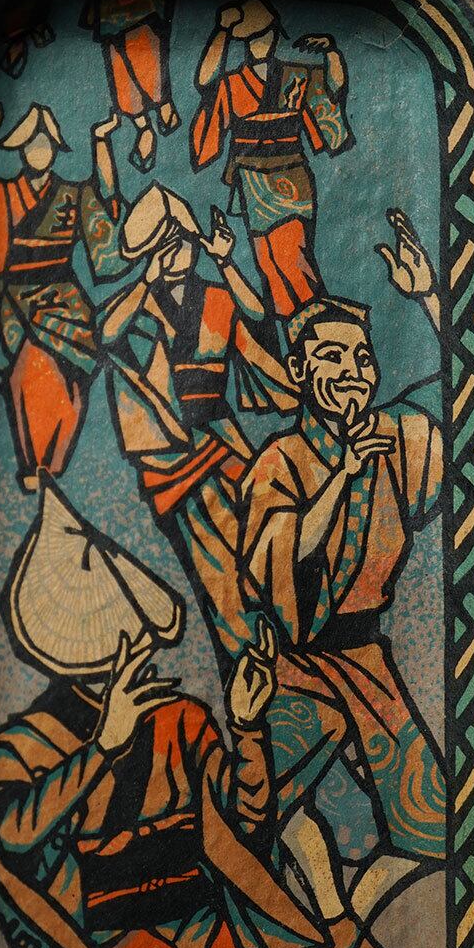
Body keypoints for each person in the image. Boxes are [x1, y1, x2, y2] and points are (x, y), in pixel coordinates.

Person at [0, 477, 378, 948]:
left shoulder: (180, 719)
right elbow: (10, 837)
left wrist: (248, 725)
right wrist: (103, 746)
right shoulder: (22, 748)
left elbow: (247, 825)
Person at [239, 210, 447, 948]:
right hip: (297, 659)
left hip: (367, 660)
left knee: (435, 825)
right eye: (331, 357)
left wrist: (430, 300)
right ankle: (334, 925)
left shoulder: (397, 438)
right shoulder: (282, 459)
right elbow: (276, 560)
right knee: (269, 806)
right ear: (299, 372)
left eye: (361, 357)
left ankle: (344, 929)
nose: (353, 372)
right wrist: (341, 479)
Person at [101, 183, 298, 678]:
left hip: (225, 442)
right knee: (218, 575)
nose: (179, 254)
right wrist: (144, 284)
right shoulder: (140, 308)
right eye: (167, 246)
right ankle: (250, 667)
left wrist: (227, 262)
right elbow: (104, 334)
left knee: (264, 546)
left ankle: (282, 655)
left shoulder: (216, 298)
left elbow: (257, 326)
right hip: (172, 460)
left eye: (185, 241)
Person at [0, 97, 128, 490]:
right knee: (27, 379)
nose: (39, 151)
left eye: (46, 144)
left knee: (73, 386)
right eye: (32, 144)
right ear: (21, 150)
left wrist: (101, 143)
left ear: (55, 149)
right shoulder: (6, 193)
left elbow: (107, 200)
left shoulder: (72, 195)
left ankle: (54, 470)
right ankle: (33, 468)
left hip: (64, 300)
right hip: (16, 304)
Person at [190, 0, 353, 325]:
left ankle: (320, 329)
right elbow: (205, 83)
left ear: (275, 35)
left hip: (291, 178)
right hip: (252, 183)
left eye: (265, 35)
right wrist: (221, 31)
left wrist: (332, 53)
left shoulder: (296, 75)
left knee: (294, 260)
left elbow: (333, 90)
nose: (261, 43)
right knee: (269, 267)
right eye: (254, 38)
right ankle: (293, 336)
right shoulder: (232, 83)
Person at [81, 0, 180, 172]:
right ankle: (145, 126)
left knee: (143, 51)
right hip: (110, 12)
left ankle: (163, 108)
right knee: (120, 73)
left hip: (141, 7)